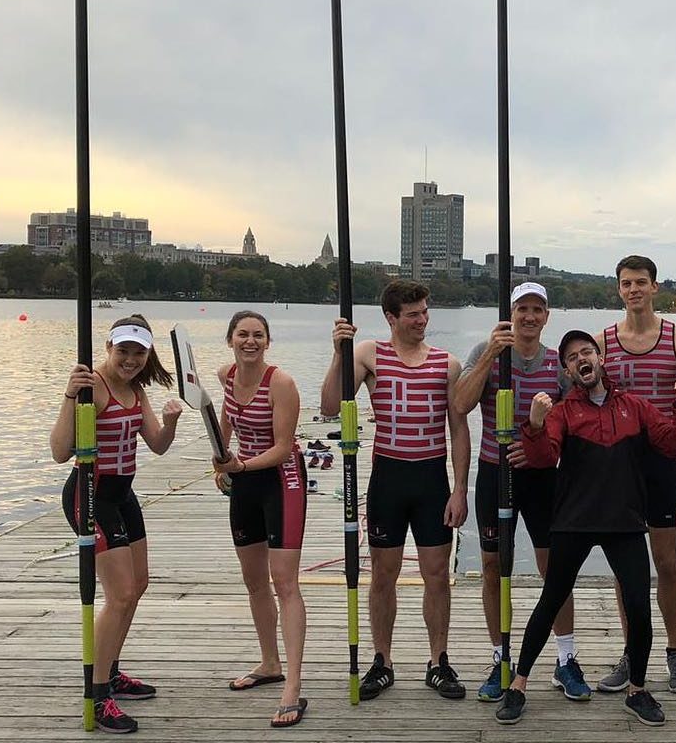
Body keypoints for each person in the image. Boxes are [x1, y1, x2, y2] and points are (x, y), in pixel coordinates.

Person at [494, 329, 676, 727]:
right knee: (550, 600)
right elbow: (542, 457)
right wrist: (534, 423)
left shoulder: (634, 406)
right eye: (572, 357)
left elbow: (675, 443)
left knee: (639, 608)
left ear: (601, 360)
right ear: (568, 371)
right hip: (574, 522)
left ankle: (637, 690)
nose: (581, 359)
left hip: (624, 523)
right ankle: (517, 685)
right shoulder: (562, 412)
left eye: (587, 352)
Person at [320, 279, 470, 701]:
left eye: (425, 312)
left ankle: (438, 661)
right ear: (391, 317)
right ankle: (382, 661)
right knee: (383, 576)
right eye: (413, 314)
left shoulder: (447, 363)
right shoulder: (369, 354)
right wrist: (338, 353)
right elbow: (331, 405)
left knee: (437, 575)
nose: (422, 320)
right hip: (388, 478)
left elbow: (458, 431)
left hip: (430, 479)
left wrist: (460, 490)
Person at [596, 254, 676, 695]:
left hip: (660, 465)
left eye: (641, 282)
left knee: (666, 563)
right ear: (618, 289)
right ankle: (633, 653)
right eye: (626, 283)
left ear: (655, 287)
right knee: (624, 569)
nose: (634, 290)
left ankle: (673, 651)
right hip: (616, 468)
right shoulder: (602, 344)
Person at [453, 282, 589, 702]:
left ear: (546, 316)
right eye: (522, 309)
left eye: (537, 309)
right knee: (493, 567)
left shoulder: (555, 364)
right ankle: (501, 658)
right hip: (495, 471)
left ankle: (565, 659)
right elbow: (460, 403)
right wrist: (491, 356)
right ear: (511, 313)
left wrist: (538, 445)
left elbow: (572, 423)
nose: (529, 317)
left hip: (543, 476)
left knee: (556, 569)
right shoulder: (485, 351)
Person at [50, 314, 182, 734]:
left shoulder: (137, 389)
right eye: (122, 351)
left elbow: (157, 446)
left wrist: (173, 418)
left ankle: (112, 668)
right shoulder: (91, 388)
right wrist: (70, 396)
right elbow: (57, 452)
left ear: (147, 355)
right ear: (108, 348)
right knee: (120, 594)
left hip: (123, 495)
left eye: (138, 353)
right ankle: (99, 691)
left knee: (138, 584)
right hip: (89, 494)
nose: (129, 360)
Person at [213, 311, 308, 729]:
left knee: (284, 583)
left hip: (279, 479)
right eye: (242, 335)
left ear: (267, 342)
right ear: (230, 339)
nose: (249, 341)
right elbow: (225, 422)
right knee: (253, 581)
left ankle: (293, 685)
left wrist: (240, 466)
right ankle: (269, 663)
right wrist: (221, 461)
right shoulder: (225, 374)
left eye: (258, 336)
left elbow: (284, 449)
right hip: (245, 477)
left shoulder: (281, 383)